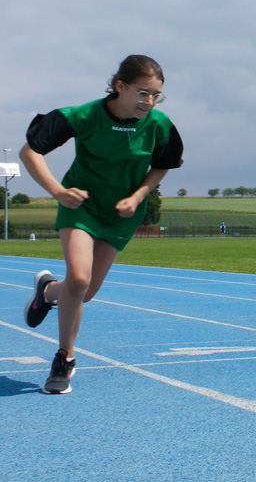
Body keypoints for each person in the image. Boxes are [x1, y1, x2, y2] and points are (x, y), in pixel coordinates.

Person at [21, 55, 184, 394]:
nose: (149, 102)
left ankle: (48, 290)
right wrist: (58, 191)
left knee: (86, 291)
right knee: (78, 279)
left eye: (156, 95)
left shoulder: (159, 124)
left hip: (122, 212)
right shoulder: (82, 116)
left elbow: (162, 165)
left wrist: (138, 197)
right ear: (120, 86)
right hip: (81, 205)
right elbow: (29, 152)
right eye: (143, 93)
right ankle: (64, 359)